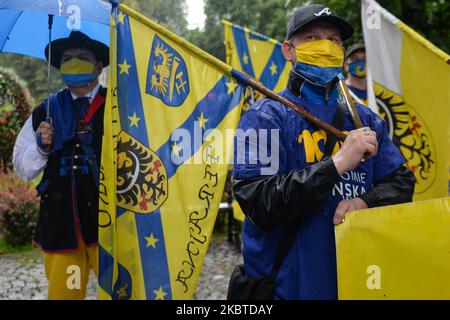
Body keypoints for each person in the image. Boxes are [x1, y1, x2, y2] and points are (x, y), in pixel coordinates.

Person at [232, 4, 415, 299]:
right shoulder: (265, 117)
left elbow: (402, 182)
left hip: (355, 278)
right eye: (312, 38)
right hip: (284, 285)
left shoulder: (366, 120)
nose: (325, 47)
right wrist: (339, 162)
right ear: (289, 50)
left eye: (333, 41)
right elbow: (259, 203)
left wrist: (365, 202)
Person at [13, 31, 109, 300]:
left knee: (121, 293)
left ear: (98, 65)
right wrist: (42, 147)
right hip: (64, 227)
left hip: (111, 225)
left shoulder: (118, 107)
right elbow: (22, 167)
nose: (74, 64)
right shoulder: (46, 111)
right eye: (68, 59)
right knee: (66, 295)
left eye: (82, 58)